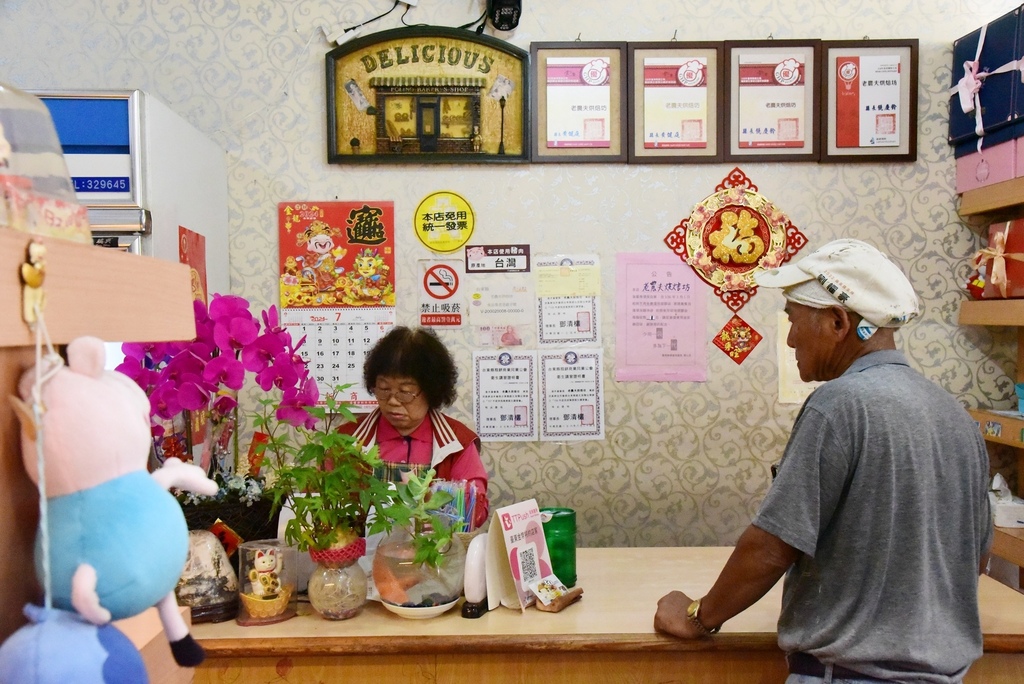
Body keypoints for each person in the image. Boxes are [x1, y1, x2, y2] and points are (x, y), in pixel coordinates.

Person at [654, 239, 993, 683]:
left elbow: (771, 547)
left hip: (848, 674)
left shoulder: (836, 407)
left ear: (837, 322)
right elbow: (976, 553)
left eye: (793, 321)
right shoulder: (955, 416)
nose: (791, 338)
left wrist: (699, 616)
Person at [339, 325, 489, 529]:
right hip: (364, 556)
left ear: (432, 391)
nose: (392, 401)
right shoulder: (347, 439)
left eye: (405, 392)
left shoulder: (457, 443)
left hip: (435, 555)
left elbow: (476, 513)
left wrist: (443, 504)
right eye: (383, 389)